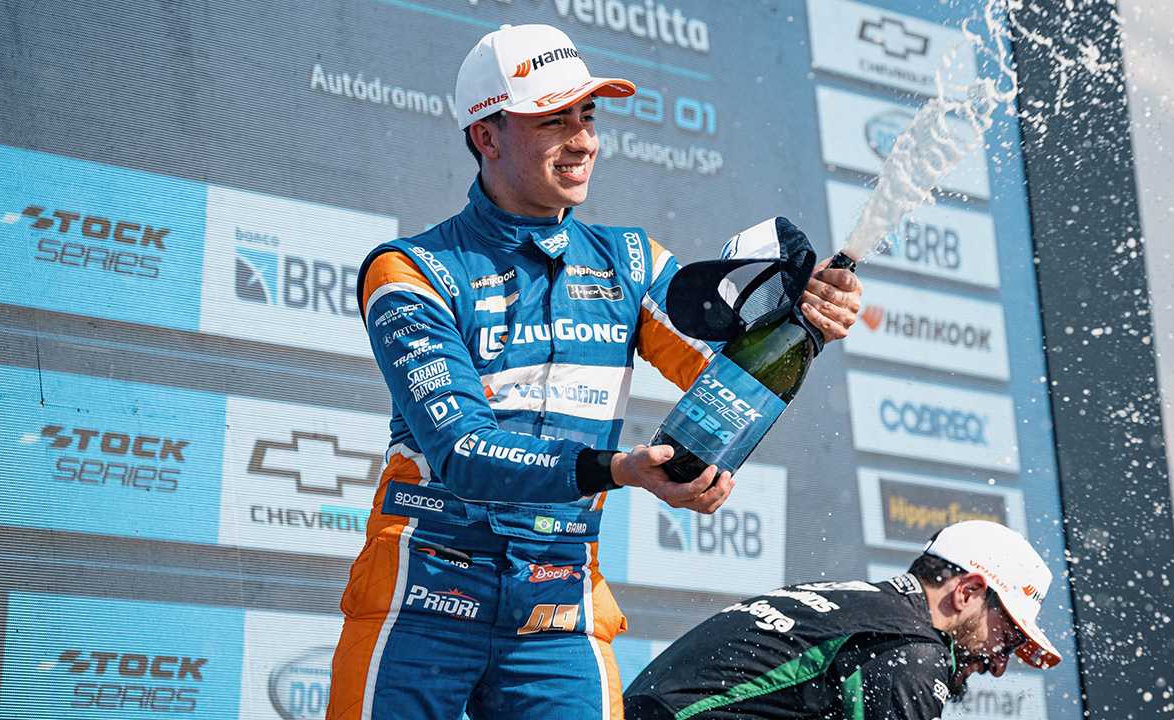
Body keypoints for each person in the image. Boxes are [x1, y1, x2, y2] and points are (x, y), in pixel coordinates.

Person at [325, 22, 864, 720]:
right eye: (553, 121)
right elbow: (461, 451)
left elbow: (725, 376)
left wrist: (802, 320)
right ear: (486, 136)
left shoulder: (631, 262)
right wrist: (619, 469)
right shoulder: (410, 271)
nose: (583, 140)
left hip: (559, 607)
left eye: (588, 116)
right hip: (419, 595)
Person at [623, 520, 1063, 720]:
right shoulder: (910, 649)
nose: (999, 665)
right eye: (1007, 638)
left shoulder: (858, 605)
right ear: (968, 591)